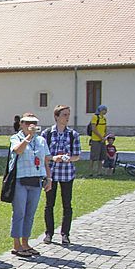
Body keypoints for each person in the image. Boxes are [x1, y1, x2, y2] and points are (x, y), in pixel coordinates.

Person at [8, 113, 52, 259]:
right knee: (19, 212)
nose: (30, 126)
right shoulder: (16, 138)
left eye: (33, 123)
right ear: (21, 124)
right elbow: (18, 151)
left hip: (36, 180)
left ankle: (26, 243)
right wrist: (28, 138)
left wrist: (48, 178)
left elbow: (45, 159)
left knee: (30, 214)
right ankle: (16, 244)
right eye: (27, 123)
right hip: (21, 180)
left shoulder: (41, 140)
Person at [42, 105, 81, 245]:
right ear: (57, 117)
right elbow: (43, 155)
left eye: (68, 114)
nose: (67, 117)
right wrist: (53, 158)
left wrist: (68, 158)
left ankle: (65, 234)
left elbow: (77, 156)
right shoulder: (47, 134)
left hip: (67, 174)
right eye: (64, 114)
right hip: (51, 173)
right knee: (49, 204)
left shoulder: (73, 134)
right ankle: (49, 234)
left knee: (67, 205)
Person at [87, 105, 109, 176]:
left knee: (101, 157)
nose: (105, 111)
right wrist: (101, 137)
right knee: (93, 157)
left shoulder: (104, 119)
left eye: (106, 110)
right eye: (104, 110)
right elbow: (94, 129)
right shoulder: (95, 117)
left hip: (102, 140)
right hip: (95, 140)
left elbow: (105, 128)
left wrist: (104, 137)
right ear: (100, 110)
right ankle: (90, 172)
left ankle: (99, 172)